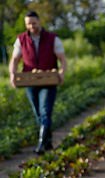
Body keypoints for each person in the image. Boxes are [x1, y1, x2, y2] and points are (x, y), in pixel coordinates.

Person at [9, 11, 67, 154]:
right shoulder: (21, 39)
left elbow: (62, 60)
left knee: (45, 111)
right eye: (28, 24)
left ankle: (41, 145)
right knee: (38, 113)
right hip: (30, 82)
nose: (31, 26)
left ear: (39, 22)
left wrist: (61, 73)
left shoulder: (52, 38)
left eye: (34, 23)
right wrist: (12, 74)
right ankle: (48, 143)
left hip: (48, 81)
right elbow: (15, 60)